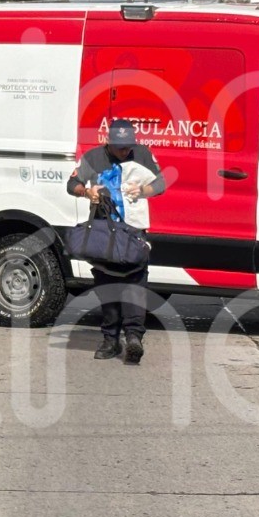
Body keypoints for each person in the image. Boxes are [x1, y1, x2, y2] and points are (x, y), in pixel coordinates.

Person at [67, 118, 167, 364]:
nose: (125, 151)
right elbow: (72, 184)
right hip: (104, 232)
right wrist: (87, 192)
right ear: (107, 143)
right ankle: (110, 340)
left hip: (133, 231)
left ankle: (134, 337)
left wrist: (142, 191)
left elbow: (161, 183)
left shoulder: (142, 154)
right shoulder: (93, 158)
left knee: (135, 283)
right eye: (119, 147)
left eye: (127, 146)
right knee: (107, 283)